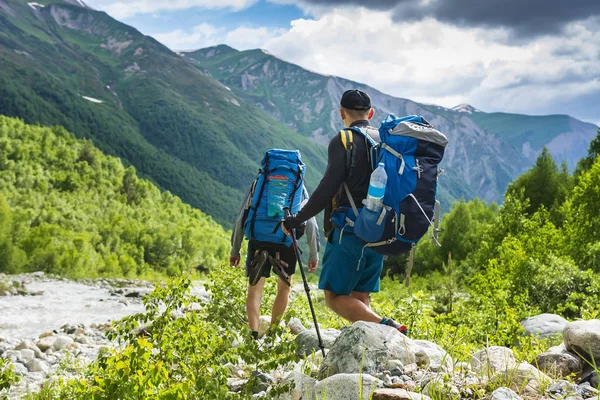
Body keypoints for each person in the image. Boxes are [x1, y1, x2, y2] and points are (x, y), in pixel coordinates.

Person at [282, 89, 407, 334]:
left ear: (341, 113)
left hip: (350, 231)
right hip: (380, 231)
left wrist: (297, 218)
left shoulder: (344, 140)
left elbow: (327, 187)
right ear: (370, 113)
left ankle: (388, 327)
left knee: (334, 297)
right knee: (360, 297)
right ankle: (371, 351)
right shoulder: (385, 142)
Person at [230, 187, 320, 340]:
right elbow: (310, 221)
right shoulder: (298, 183)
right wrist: (313, 253)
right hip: (286, 240)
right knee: (284, 288)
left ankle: (252, 336)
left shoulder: (261, 181)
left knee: (254, 292)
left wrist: (235, 249)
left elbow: (242, 216)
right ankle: (272, 335)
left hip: (259, 239)